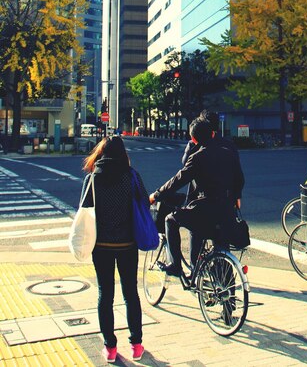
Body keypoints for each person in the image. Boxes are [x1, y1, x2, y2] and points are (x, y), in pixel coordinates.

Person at [79, 136, 146, 362]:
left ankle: (110, 347)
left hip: (102, 245)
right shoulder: (132, 175)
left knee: (105, 294)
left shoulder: (93, 178)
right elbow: (144, 202)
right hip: (128, 243)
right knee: (130, 293)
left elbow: (84, 209)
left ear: (101, 152)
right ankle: (136, 344)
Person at [150, 117, 245, 275]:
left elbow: (177, 181)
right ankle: (228, 296)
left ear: (193, 139)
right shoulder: (229, 154)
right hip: (226, 211)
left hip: (204, 210)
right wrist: (234, 197)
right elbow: (240, 180)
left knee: (170, 220)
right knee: (222, 247)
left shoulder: (197, 157)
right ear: (213, 134)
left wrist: (156, 195)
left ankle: (175, 265)